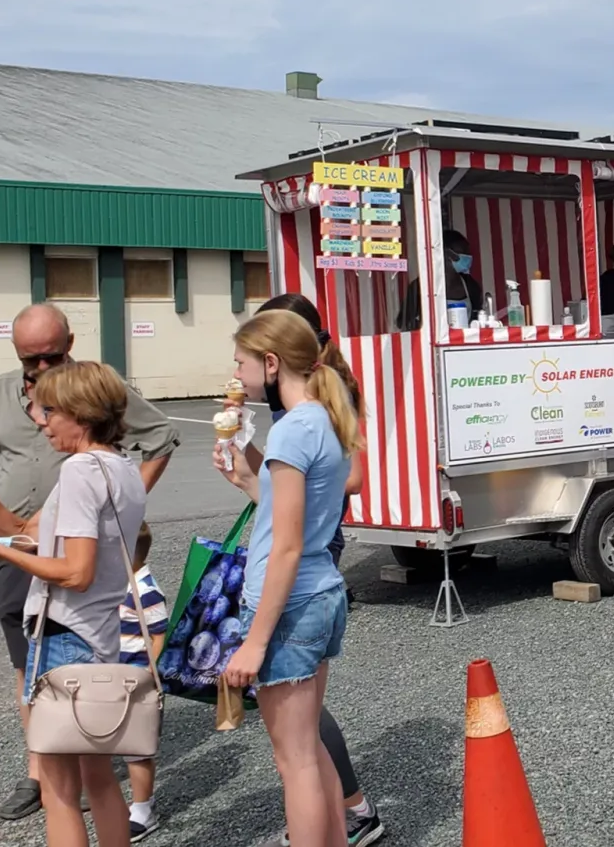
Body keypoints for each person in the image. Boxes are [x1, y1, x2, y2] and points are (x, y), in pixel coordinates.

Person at [0, 304, 178, 823]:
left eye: (49, 412)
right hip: (50, 568)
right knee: (93, 773)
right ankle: (48, 764)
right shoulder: (112, 466)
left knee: (62, 790)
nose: (40, 419)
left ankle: (48, 762)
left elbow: (74, 572)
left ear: (81, 411)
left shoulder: (81, 471)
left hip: (64, 609)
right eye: (29, 360)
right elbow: (29, 531)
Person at [213, 309, 361, 847]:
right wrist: (247, 480)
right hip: (320, 593)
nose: (236, 373)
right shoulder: (324, 418)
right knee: (310, 751)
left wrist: (254, 642)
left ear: (271, 363)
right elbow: (299, 518)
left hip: (290, 605)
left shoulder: (291, 431)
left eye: (242, 362)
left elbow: (287, 544)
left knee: (293, 761)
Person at [254, 294, 386, 847]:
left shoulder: (321, 398)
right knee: (302, 732)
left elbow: (347, 481)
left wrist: (252, 641)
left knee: (298, 743)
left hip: (306, 561)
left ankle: (351, 811)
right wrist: (253, 471)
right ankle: (342, 816)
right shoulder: (307, 402)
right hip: (309, 557)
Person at [118, 527, 168, 842]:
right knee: (120, 743)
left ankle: (143, 808)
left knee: (137, 749)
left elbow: (159, 635)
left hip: (137, 679)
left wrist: (150, 673)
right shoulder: (117, 584)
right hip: (114, 677)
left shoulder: (145, 589)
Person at [397, 229, 484, 331]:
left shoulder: (470, 286)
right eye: (463, 253)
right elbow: (402, 322)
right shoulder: (420, 287)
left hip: (462, 340)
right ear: (446, 253)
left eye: (468, 253)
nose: (468, 258)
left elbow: (478, 319)